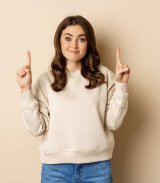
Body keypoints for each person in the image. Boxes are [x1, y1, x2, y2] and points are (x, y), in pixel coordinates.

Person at [16, 15, 130, 182]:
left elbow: (113, 123)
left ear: (89, 43)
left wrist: (121, 85)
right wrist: (25, 90)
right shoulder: (46, 80)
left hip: (97, 168)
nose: (74, 45)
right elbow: (36, 129)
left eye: (81, 39)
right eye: (68, 38)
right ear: (59, 41)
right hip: (55, 169)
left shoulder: (104, 76)